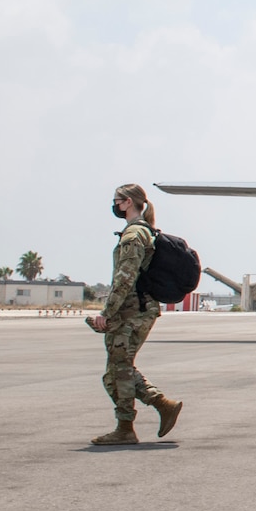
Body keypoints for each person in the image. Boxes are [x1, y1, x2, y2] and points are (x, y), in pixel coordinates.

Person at [86, 183, 185, 444]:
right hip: (138, 310)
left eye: (117, 201)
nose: (115, 205)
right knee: (117, 371)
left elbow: (124, 279)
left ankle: (126, 427)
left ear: (128, 202)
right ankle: (162, 404)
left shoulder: (133, 235)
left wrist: (106, 313)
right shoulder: (144, 232)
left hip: (132, 311)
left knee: (119, 369)